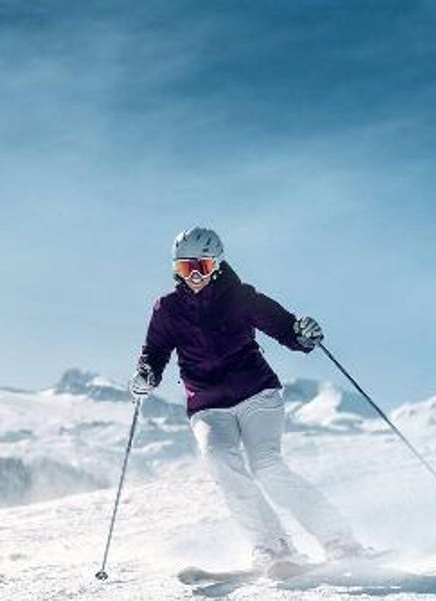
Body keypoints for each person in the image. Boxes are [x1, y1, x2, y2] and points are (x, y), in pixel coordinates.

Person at [131, 227, 371, 570]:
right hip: (207, 405)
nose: (195, 275)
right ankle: (273, 547)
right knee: (221, 463)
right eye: (187, 268)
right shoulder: (167, 309)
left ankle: (340, 541)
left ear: (217, 264)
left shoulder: (239, 296)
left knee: (268, 467)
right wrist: (146, 374)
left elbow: (284, 327)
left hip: (257, 393)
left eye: (203, 266)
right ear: (176, 270)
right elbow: (154, 352)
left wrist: (302, 334)